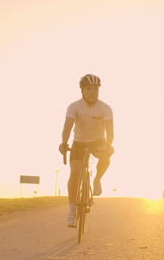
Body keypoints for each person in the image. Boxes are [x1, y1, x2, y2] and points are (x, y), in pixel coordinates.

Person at [59, 74, 114, 227]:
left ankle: (97, 180)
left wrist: (109, 145)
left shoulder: (105, 108)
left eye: (95, 89)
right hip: (79, 142)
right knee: (75, 175)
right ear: (82, 90)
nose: (92, 92)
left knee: (106, 155)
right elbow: (68, 127)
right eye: (89, 89)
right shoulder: (74, 106)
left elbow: (110, 131)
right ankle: (71, 211)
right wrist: (64, 142)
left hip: (98, 141)